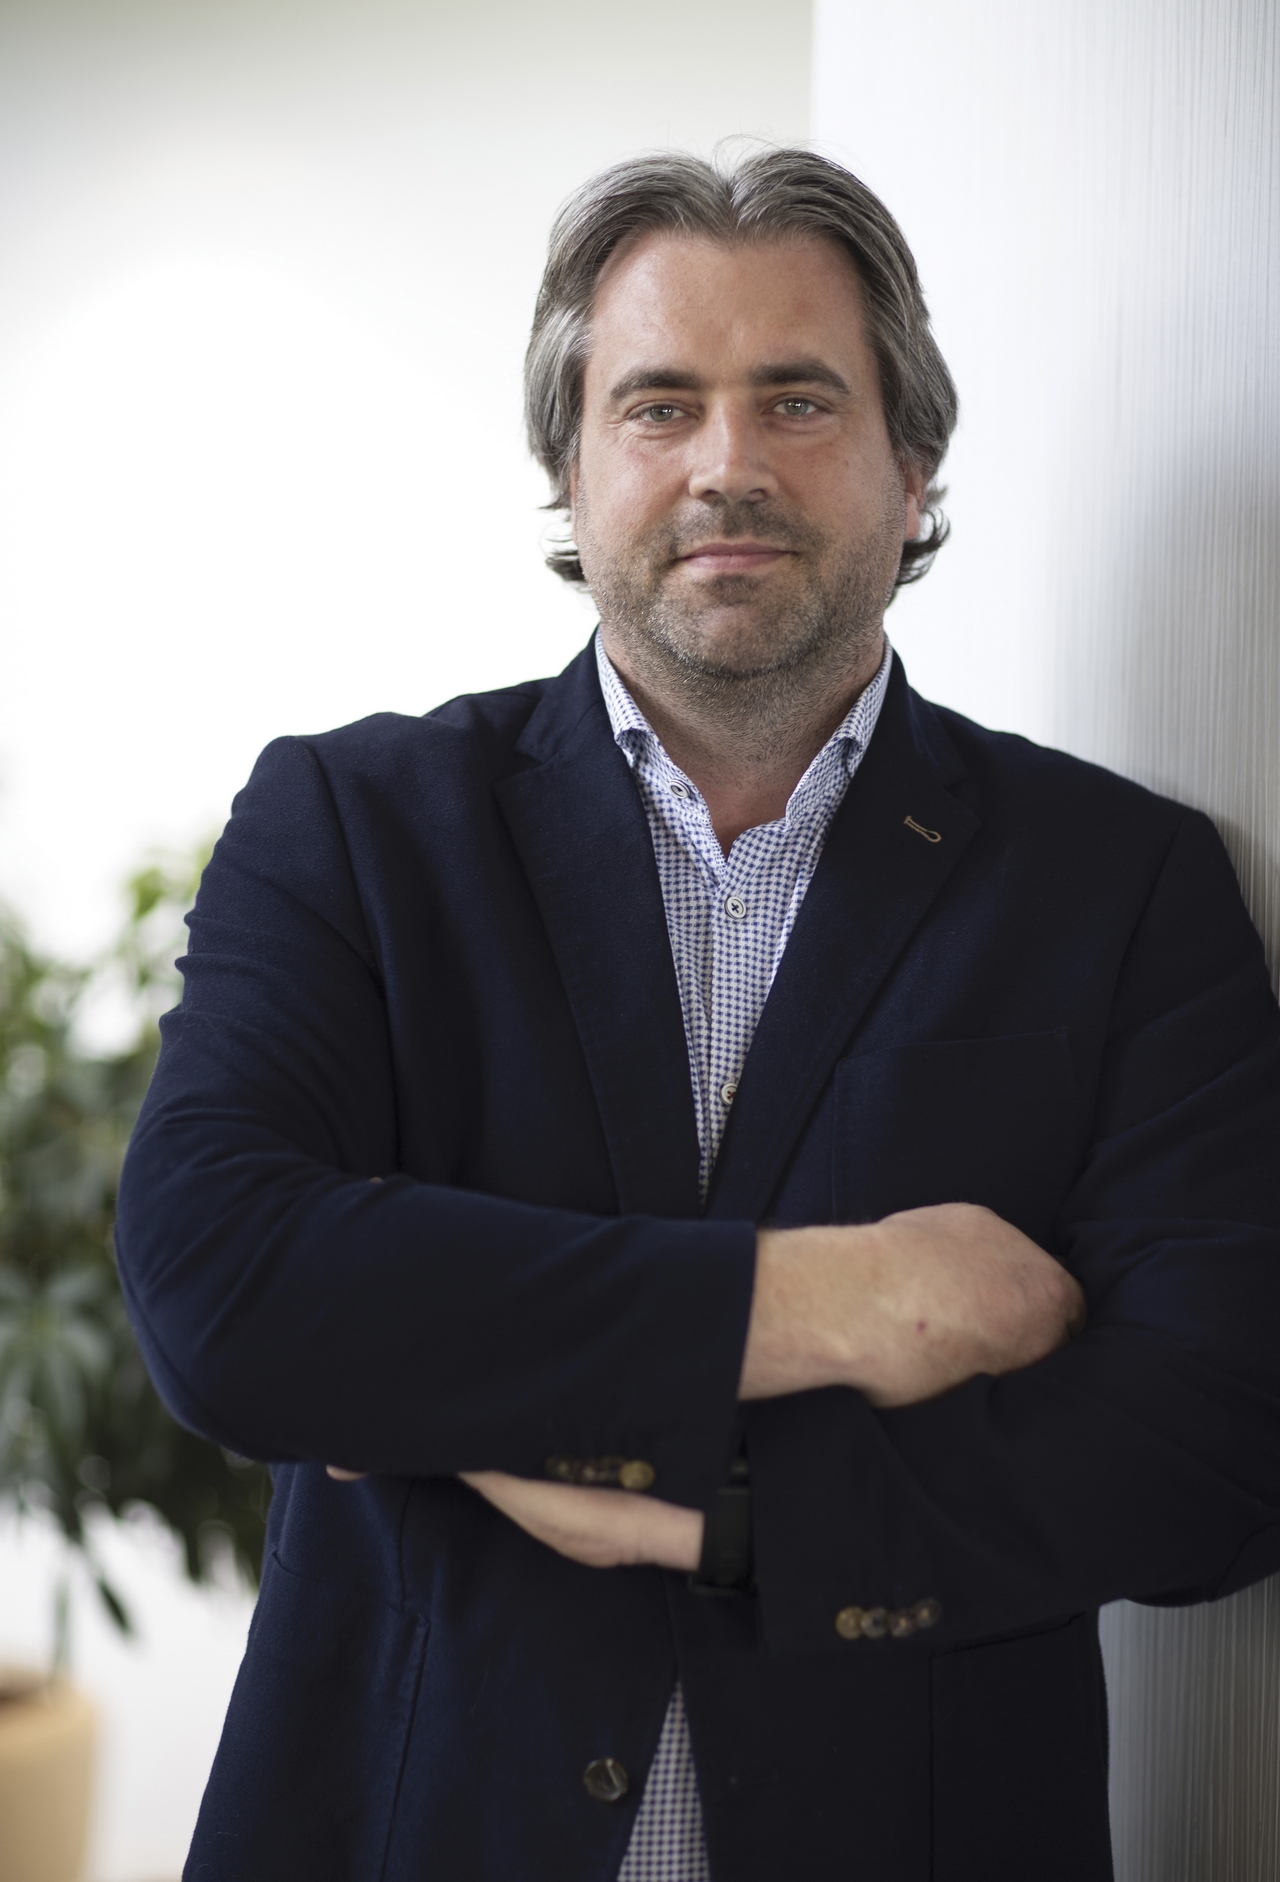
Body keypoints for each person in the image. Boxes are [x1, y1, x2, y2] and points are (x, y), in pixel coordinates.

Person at [116, 148, 1280, 1882]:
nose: (727, 462)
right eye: (659, 405)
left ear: (913, 463)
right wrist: (845, 1295)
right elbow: (224, 1288)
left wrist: (726, 1517)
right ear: (570, 468)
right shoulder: (351, 830)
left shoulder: (1122, 884)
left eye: (798, 399)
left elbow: (1215, 1449)